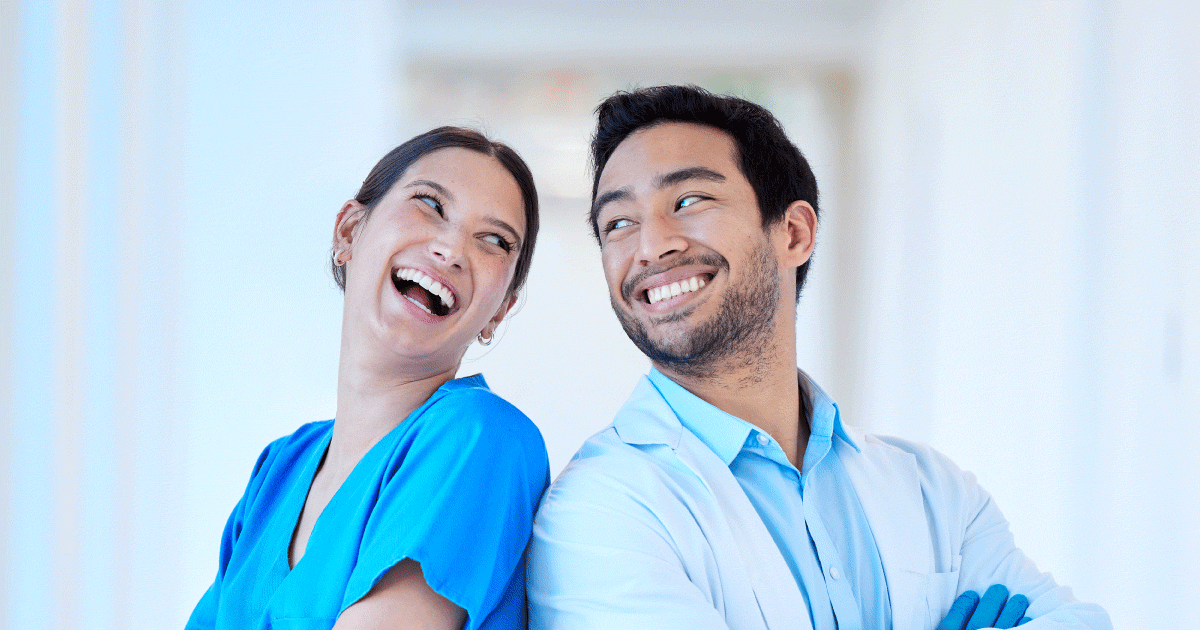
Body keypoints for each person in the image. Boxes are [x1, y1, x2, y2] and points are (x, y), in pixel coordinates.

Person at [526, 86, 1111, 630]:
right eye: (618, 223)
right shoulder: (598, 514)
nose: (652, 244)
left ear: (794, 233)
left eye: (690, 199)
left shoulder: (935, 492)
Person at [187, 127, 549, 630]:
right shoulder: (279, 469)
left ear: (499, 311)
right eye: (429, 203)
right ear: (349, 232)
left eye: (493, 240)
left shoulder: (482, 437)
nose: (451, 249)